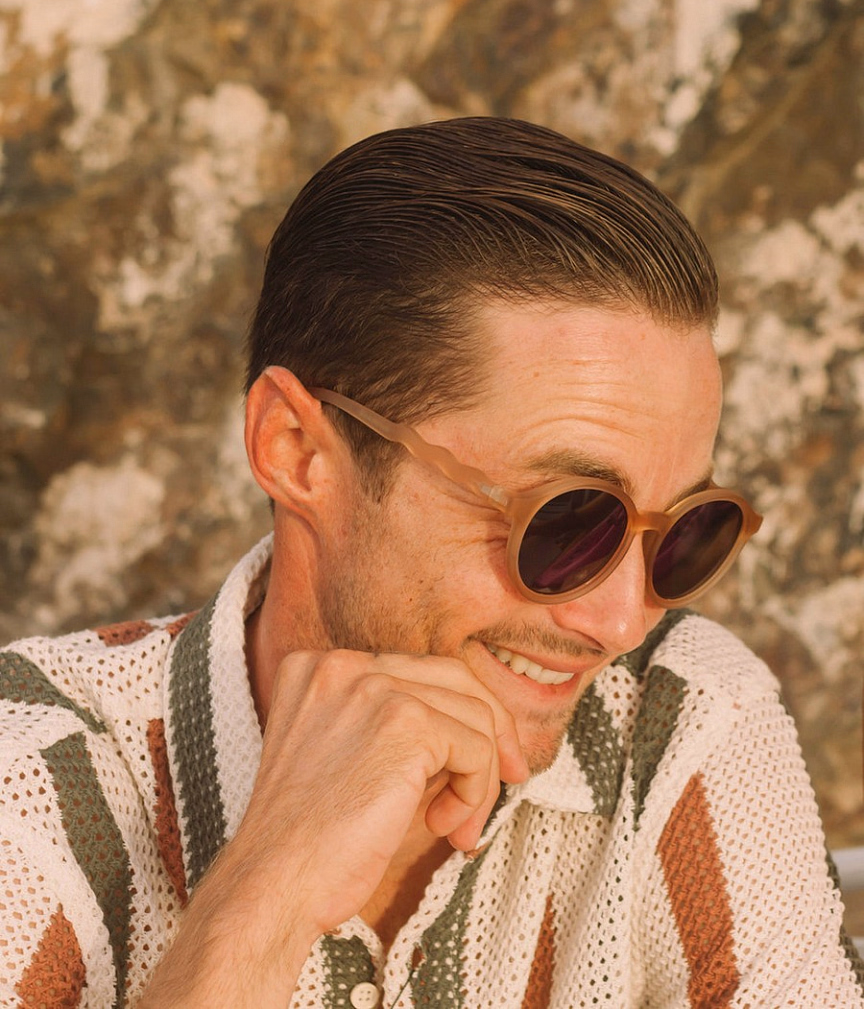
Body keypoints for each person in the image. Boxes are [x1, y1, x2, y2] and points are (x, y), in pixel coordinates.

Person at [1, 117, 861, 1009]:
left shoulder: (680, 717)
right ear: (297, 450)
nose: (619, 623)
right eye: (567, 520)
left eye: (686, 531)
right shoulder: (32, 780)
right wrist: (266, 894)